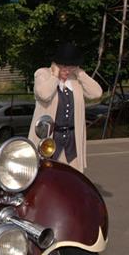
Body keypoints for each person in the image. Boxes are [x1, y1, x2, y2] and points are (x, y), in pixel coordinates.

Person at [28, 42, 103, 173]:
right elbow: (44, 95)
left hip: (72, 141)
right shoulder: (43, 74)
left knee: (73, 178)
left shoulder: (75, 80)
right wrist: (55, 76)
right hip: (49, 140)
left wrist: (80, 73)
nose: (67, 71)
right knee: (46, 177)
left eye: (71, 67)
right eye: (64, 67)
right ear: (56, 64)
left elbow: (97, 93)